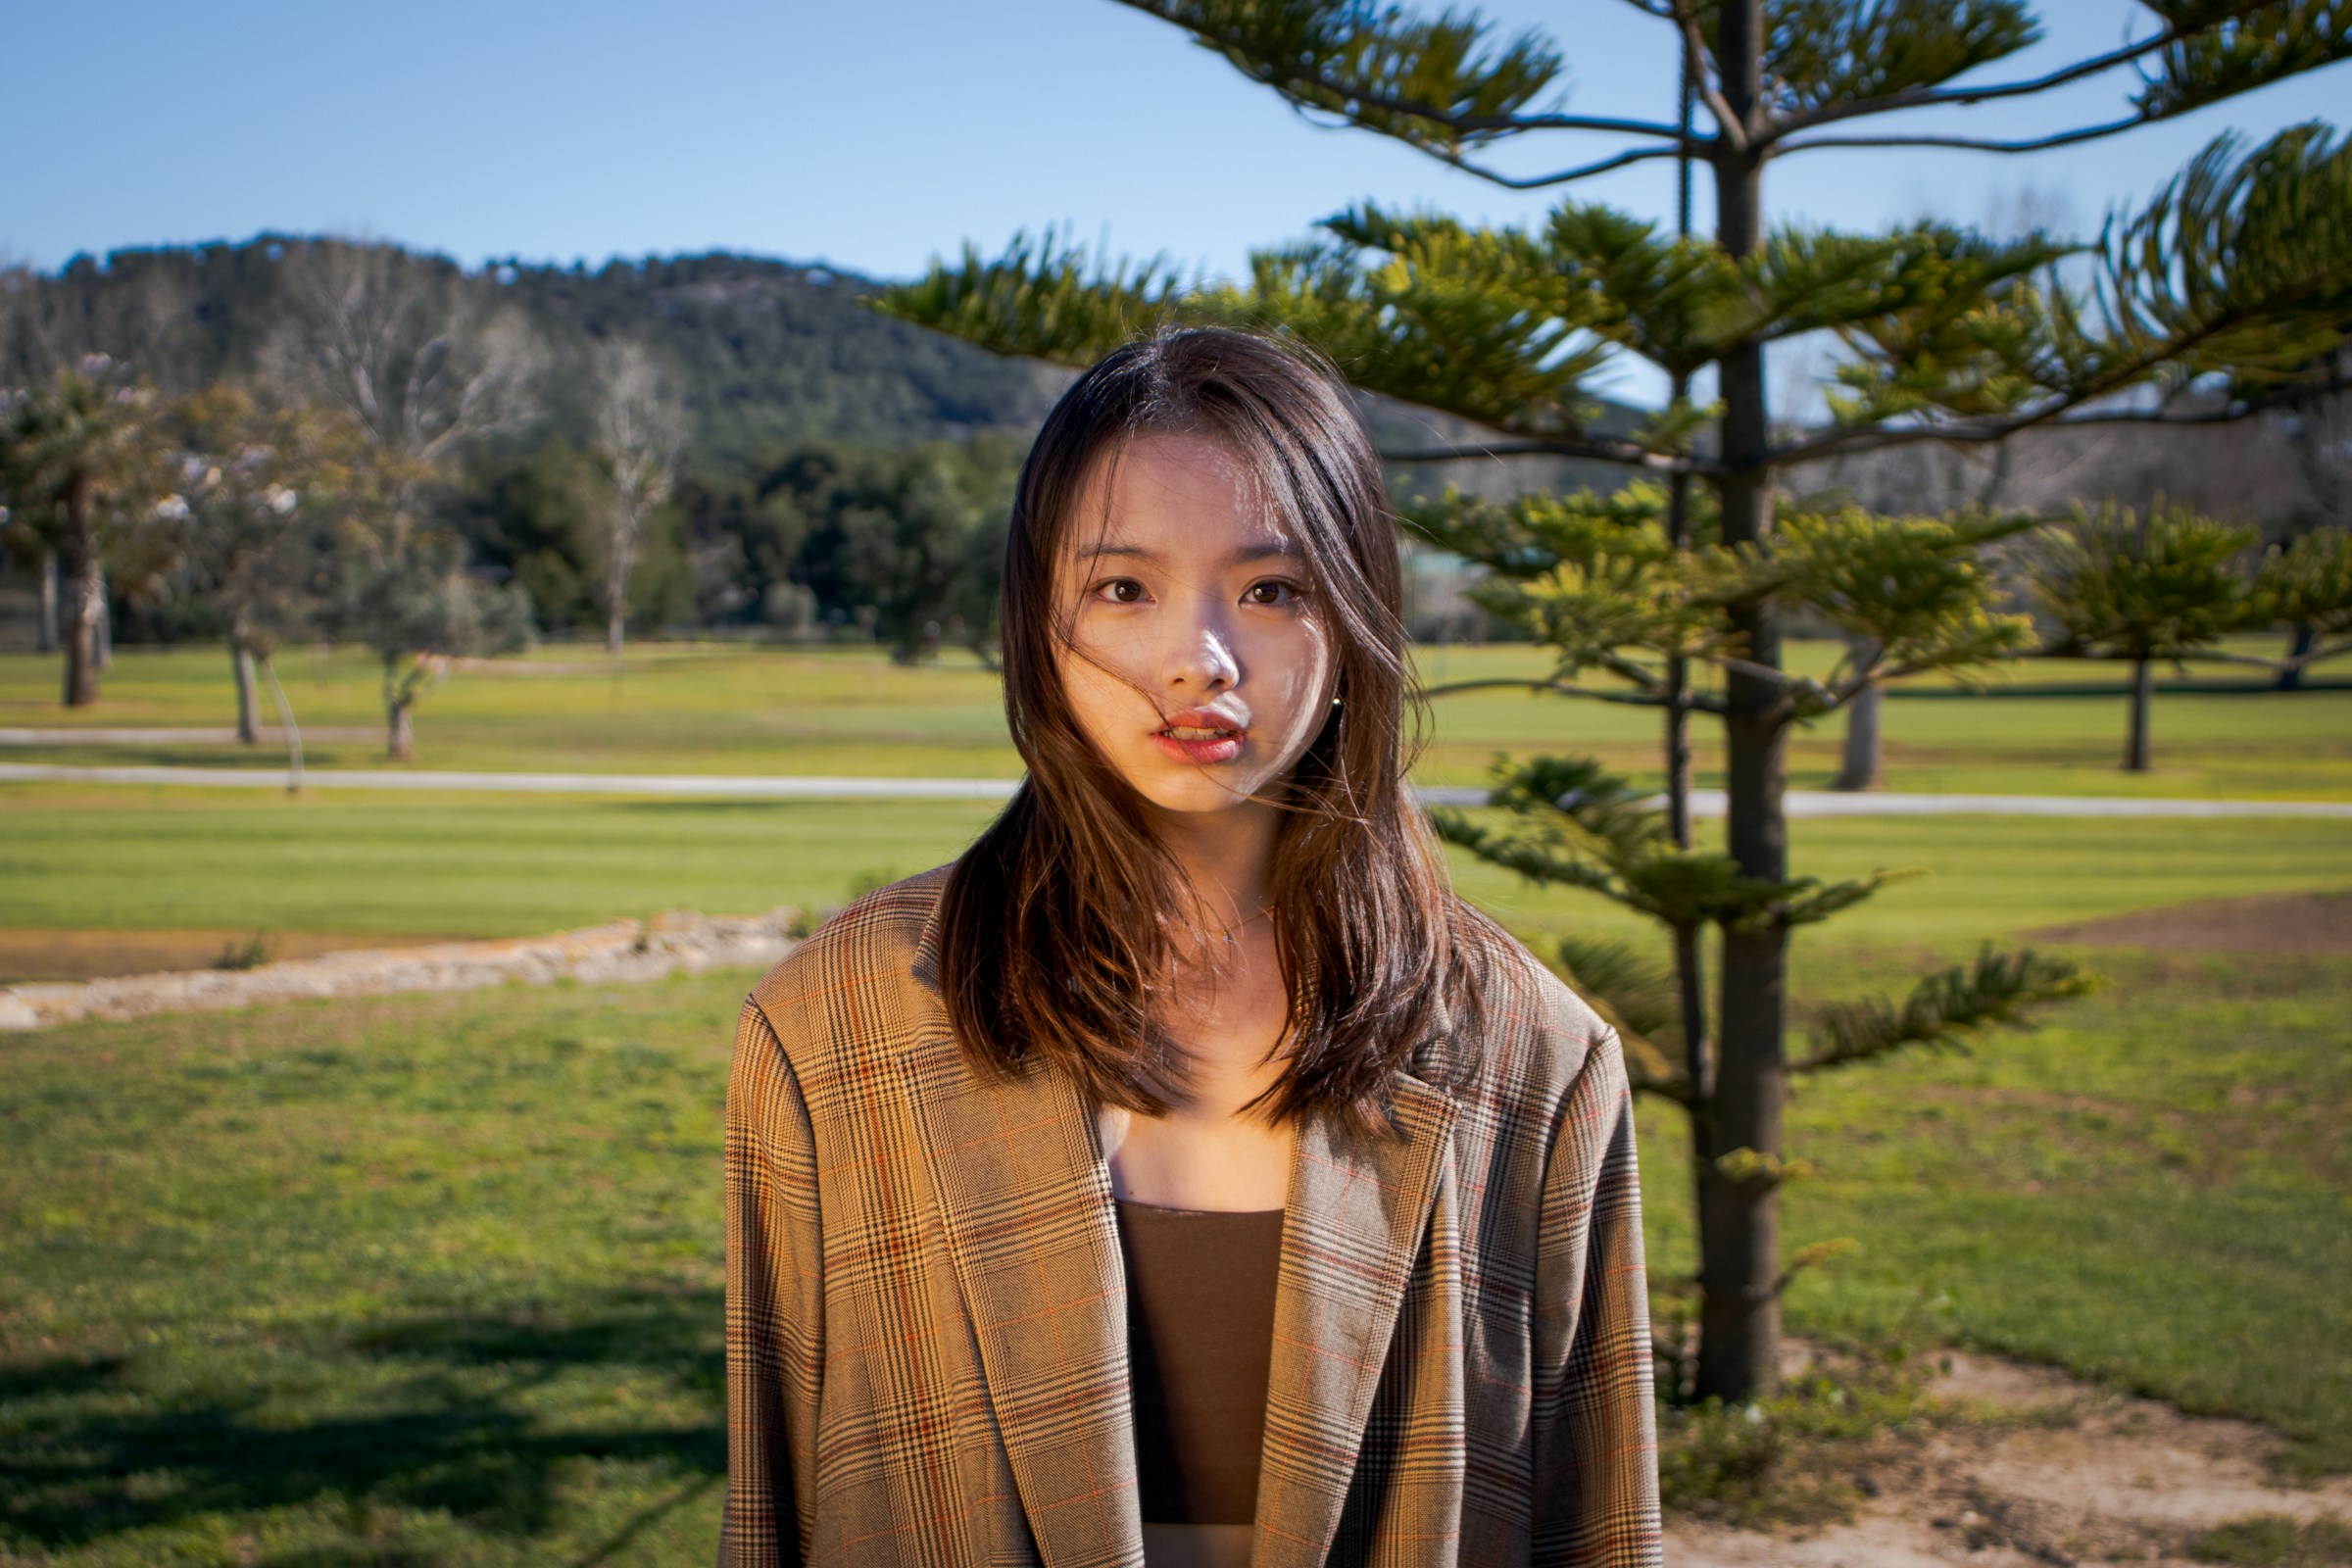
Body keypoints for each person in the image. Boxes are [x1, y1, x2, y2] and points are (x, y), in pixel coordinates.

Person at [722, 326, 1661, 1568]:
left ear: (1356, 616)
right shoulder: (830, 1028)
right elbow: (771, 1520)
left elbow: (1594, 1537)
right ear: (1038, 620)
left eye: (1272, 589)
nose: (1197, 660)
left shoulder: (1541, 1061)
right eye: (1124, 588)